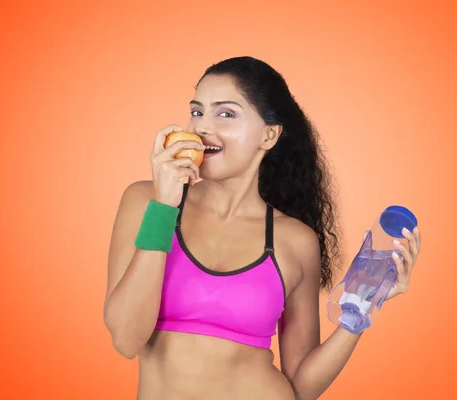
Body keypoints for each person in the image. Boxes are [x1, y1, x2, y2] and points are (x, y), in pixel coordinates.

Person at [103, 56, 422, 400]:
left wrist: (362, 308)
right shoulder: (145, 202)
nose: (202, 127)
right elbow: (126, 338)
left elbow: (301, 386)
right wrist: (165, 206)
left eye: (225, 114)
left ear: (268, 136)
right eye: (197, 111)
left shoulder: (295, 241)